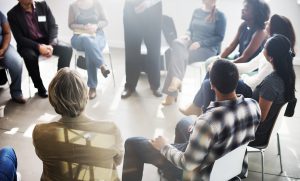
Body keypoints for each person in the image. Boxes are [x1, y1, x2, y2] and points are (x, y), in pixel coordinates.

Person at [122, 60, 261, 181]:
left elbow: (187, 164)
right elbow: (228, 126)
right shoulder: (253, 105)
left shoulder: (208, 122)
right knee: (184, 122)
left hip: (203, 175)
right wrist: (199, 128)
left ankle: (175, 171)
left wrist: (164, 146)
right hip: (232, 168)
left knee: (132, 144)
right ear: (237, 82)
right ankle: (171, 174)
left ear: (212, 85)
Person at [180, 14, 296, 116]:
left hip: (251, 91)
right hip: (250, 84)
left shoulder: (273, 56)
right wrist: (222, 64)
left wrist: (241, 77)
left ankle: (204, 113)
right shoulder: (271, 46)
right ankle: (201, 110)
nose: (265, 22)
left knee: (208, 84)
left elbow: (255, 83)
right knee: (214, 71)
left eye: (269, 22)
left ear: (274, 28)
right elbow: (249, 65)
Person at [32, 68, 124, 180]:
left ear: (52, 100)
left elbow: (43, 156)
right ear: (86, 97)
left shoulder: (40, 133)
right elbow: (117, 161)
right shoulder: (110, 130)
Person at [161, 0, 226, 106]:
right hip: (191, 43)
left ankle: (172, 92)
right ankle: (176, 80)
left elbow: (219, 37)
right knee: (177, 43)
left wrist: (201, 43)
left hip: (207, 49)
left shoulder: (220, 16)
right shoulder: (197, 11)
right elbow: (190, 29)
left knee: (178, 56)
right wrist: (187, 35)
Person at [7, 0, 73, 98]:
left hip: (47, 41)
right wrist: (38, 47)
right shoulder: (13, 14)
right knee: (29, 56)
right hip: (28, 44)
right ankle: (39, 87)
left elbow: (53, 26)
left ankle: (60, 83)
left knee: (67, 49)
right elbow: (19, 38)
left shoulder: (43, 5)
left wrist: (51, 44)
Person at [249, 34, 297, 146]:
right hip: (267, 129)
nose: (262, 49)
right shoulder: (288, 75)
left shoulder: (270, 84)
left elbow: (259, 118)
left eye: (265, 47)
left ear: (271, 58)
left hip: (255, 136)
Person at [69, 0, 110, 100]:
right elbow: (71, 24)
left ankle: (92, 87)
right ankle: (101, 65)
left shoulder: (97, 4)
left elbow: (105, 21)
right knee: (87, 40)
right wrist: (84, 27)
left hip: (97, 35)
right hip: (79, 36)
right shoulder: (73, 6)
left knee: (90, 48)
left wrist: (95, 26)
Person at [121, 0, 163, 99]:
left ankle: (155, 85)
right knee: (131, 49)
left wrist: (147, 3)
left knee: (154, 49)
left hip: (153, 9)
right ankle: (130, 85)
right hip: (131, 8)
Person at [0, 11, 26, 104]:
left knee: (17, 62)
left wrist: (3, 49)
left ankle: (16, 93)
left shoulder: (0, 14)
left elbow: (7, 33)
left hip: (2, 45)